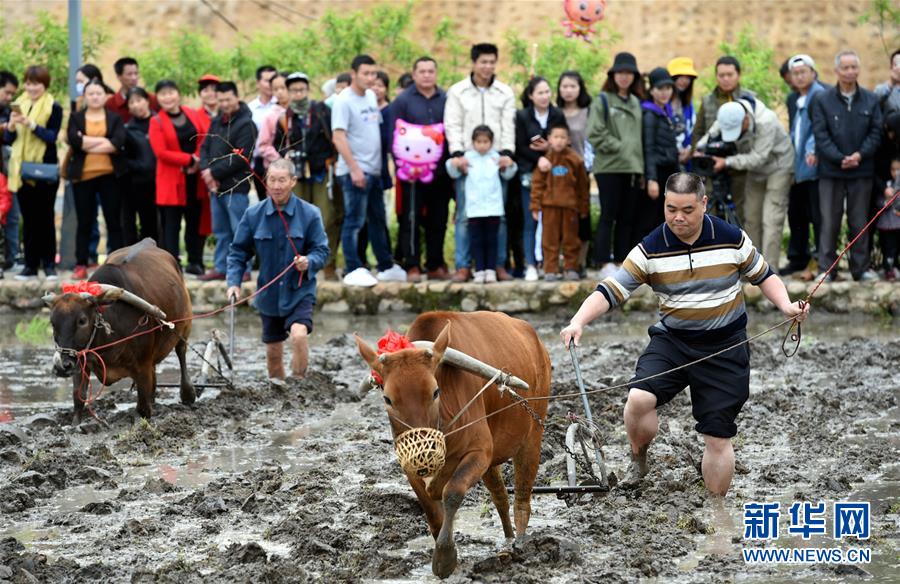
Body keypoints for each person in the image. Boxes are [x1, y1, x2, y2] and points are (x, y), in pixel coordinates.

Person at [560, 172, 809, 496]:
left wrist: (787, 306)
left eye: (687, 210)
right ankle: (639, 457)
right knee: (638, 400)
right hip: (673, 341)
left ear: (704, 204)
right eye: (671, 208)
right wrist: (578, 321)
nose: (678, 217)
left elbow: (763, 275)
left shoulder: (731, 237)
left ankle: (718, 520)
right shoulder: (651, 248)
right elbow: (611, 289)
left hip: (725, 346)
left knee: (717, 438)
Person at [226, 159, 330, 383]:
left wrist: (308, 261)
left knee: (299, 335)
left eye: (282, 180)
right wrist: (233, 283)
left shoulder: (310, 213)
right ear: (265, 181)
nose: (276, 185)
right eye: (272, 180)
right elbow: (238, 252)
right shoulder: (253, 215)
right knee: (273, 353)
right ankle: (279, 392)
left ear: (293, 181)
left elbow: (322, 251)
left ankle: (300, 385)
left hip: (299, 289)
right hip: (269, 293)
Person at [444, 43, 516, 282]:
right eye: (483, 62)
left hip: (496, 162)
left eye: (492, 62)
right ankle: (464, 265)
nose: (487, 66)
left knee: (500, 216)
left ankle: (498, 265)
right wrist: (457, 155)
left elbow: (509, 125)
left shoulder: (504, 92)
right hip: (469, 161)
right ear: (474, 63)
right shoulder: (458, 92)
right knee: (465, 215)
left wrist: (507, 154)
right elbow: (452, 123)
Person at [332, 54, 406, 287]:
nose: (370, 78)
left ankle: (385, 265)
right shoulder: (344, 101)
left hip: (374, 170)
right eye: (365, 73)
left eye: (373, 73)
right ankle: (353, 267)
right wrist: (354, 169)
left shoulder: (372, 96)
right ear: (353, 74)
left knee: (378, 219)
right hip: (355, 171)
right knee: (354, 221)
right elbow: (338, 137)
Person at [811, 50, 883, 282]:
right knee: (829, 219)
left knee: (859, 220)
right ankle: (827, 268)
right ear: (837, 71)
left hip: (861, 170)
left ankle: (860, 269)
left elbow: (876, 132)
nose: (850, 71)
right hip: (831, 171)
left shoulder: (871, 99)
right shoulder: (823, 99)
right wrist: (839, 157)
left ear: (858, 70)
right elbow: (820, 134)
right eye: (846, 67)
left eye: (854, 67)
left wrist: (859, 155)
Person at [697, 98, 794, 270]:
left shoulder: (766, 121)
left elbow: (758, 157)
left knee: (771, 219)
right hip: (753, 170)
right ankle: (753, 268)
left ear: (746, 119)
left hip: (778, 167)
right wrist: (699, 151)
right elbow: (708, 139)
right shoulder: (727, 115)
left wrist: (726, 162)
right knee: (751, 218)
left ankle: (770, 271)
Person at [273, 71, 341, 281]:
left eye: (301, 89)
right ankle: (299, 262)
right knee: (296, 219)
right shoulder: (285, 117)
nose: (298, 94)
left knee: (327, 216)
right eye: (294, 90)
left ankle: (328, 263)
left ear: (308, 90)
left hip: (321, 170)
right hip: (297, 175)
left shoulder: (321, 111)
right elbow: (278, 144)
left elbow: (334, 137)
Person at [388, 56, 452, 281]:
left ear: (436, 73)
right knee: (410, 220)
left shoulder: (446, 99)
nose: (426, 75)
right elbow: (393, 136)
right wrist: (403, 166)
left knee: (439, 219)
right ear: (414, 74)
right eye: (422, 71)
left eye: (430, 71)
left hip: (440, 173)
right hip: (411, 175)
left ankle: (435, 263)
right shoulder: (403, 101)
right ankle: (412, 264)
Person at [587, 52, 644, 277]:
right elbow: (594, 132)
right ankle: (603, 262)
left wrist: (639, 165)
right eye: (620, 72)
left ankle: (622, 260)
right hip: (609, 168)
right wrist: (620, 147)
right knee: (608, 215)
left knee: (627, 218)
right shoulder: (603, 100)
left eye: (628, 73)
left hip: (632, 169)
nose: (624, 77)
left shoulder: (636, 102)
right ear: (613, 75)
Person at [4, 65, 63, 280]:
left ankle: (48, 265)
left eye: (36, 83)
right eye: (28, 83)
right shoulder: (19, 105)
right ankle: (30, 265)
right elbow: (10, 140)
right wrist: (11, 126)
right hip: (21, 170)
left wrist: (30, 124)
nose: (32, 87)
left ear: (44, 85)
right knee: (28, 220)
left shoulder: (53, 107)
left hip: (44, 170)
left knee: (45, 218)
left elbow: (51, 136)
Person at [148, 79, 211, 275]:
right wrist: (188, 159)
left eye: (171, 92)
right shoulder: (156, 121)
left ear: (178, 94)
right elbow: (161, 152)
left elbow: (204, 138)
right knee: (171, 225)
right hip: (171, 180)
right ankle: (172, 266)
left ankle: (196, 261)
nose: (167, 97)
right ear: (157, 98)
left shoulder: (192, 114)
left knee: (194, 222)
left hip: (195, 178)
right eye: (162, 94)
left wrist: (198, 159)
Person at [66, 79, 127, 279]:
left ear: (104, 95)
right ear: (85, 96)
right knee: (85, 221)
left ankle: (116, 263)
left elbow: (118, 143)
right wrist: (104, 142)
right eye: (90, 93)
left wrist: (87, 141)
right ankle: (81, 262)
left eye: (98, 93)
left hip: (110, 176)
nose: (95, 97)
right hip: (83, 177)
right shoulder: (76, 117)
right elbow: (74, 142)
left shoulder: (114, 118)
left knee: (113, 220)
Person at [199, 81, 257, 281]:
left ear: (236, 97)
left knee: (239, 230)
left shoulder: (247, 123)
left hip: (236, 187)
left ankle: (244, 268)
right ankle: (221, 267)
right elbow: (205, 147)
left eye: (228, 99)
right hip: (216, 188)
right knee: (221, 231)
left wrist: (213, 173)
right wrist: (206, 170)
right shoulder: (217, 121)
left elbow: (242, 157)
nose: (224, 103)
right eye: (221, 99)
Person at [446, 125, 517, 283]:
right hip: (474, 208)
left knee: (492, 239)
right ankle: (479, 270)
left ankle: (491, 270)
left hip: (493, 208)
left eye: (486, 142)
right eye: (479, 141)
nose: (482, 145)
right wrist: (455, 162)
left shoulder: (496, 158)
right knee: (476, 240)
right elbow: (452, 171)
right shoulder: (468, 158)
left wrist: (510, 163)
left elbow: (510, 173)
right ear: (473, 142)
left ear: (491, 143)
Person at [515, 76, 566, 281]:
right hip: (530, 173)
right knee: (532, 219)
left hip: (555, 175)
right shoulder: (522, 116)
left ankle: (550, 263)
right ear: (531, 95)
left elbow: (563, 141)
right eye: (540, 93)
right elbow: (520, 146)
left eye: (547, 92)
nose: (544, 96)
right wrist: (539, 158)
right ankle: (530, 264)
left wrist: (549, 150)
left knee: (554, 220)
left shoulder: (557, 114)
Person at [692, 56, 756, 219]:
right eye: (721, 75)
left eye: (730, 74)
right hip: (712, 166)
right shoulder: (708, 101)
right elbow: (698, 131)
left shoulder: (749, 99)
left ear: (738, 75)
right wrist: (698, 153)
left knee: (740, 212)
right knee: (710, 211)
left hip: (739, 167)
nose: (726, 79)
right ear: (716, 76)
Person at [783, 54, 826, 278]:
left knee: (817, 215)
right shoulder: (792, 99)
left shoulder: (820, 94)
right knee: (796, 213)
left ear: (812, 72)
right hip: (797, 164)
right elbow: (794, 130)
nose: (799, 77)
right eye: (795, 73)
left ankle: (821, 259)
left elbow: (819, 127)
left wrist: (812, 149)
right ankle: (798, 258)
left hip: (815, 164)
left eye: (803, 72)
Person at [529, 121, 588, 281]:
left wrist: (583, 208)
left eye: (563, 137)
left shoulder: (575, 160)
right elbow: (537, 184)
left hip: (570, 207)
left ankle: (570, 268)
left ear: (568, 140)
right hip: (549, 207)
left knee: (571, 240)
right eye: (556, 137)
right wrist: (535, 206)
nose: (559, 140)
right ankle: (550, 269)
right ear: (549, 139)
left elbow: (583, 187)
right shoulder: (545, 160)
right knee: (549, 240)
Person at [556, 71, 593, 273]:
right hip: (558, 173)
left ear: (580, 89)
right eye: (564, 86)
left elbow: (591, 143)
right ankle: (562, 261)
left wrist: (588, 168)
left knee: (582, 215)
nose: (568, 91)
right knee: (560, 217)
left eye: (573, 86)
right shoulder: (555, 113)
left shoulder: (588, 112)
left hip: (581, 172)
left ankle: (581, 261)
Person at [640, 67, 680, 241]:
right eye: (660, 89)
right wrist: (652, 179)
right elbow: (648, 148)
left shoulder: (666, 112)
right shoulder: (650, 114)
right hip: (657, 172)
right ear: (652, 90)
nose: (665, 93)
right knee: (651, 218)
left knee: (664, 218)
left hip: (668, 170)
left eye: (668, 88)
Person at [122, 87, 158, 246]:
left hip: (159, 180)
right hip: (135, 183)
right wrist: (140, 166)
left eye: (139, 100)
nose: (136, 105)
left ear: (147, 101)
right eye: (132, 102)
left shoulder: (160, 122)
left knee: (155, 222)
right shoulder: (127, 129)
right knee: (134, 221)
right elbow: (123, 158)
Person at [248, 65, 278, 198]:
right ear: (258, 83)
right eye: (267, 80)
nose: (270, 84)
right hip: (259, 162)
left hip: (279, 159)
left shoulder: (280, 105)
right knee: (264, 202)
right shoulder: (251, 108)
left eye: (273, 80)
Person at [0, 70, 19, 270]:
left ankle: (11, 258)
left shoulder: (8, 112)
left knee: (12, 216)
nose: (9, 97)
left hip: (7, 173)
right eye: (7, 92)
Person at [666, 57, 698, 166]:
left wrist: (689, 150)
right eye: (681, 77)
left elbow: (693, 130)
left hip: (686, 162)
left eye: (688, 78)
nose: (685, 81)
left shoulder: (688, 105)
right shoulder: (660, 104)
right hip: (665, 160)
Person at [106, 57, 158, 123]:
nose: (134, 78)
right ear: (119, 77)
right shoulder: (111, 104)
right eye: (129, 74)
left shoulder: (151, 99)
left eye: (136, 73)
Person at [255, 72, 290, 170]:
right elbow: (263, 145)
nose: (279, 92)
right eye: (275, 89)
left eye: (283, 88)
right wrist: (280, 160)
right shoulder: (270, 115)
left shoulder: (298, 112)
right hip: (277, 168)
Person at [877, 156, 900, 280]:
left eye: (899, 169)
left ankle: (896, 267)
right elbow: (878, 202)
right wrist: (887, 201)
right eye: (893, 169)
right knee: (888, 249)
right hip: (887, 225)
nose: (896, 173)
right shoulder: (886, 185)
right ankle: (888, 269)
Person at [874, 49, 900, 117]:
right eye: (896, 64)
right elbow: (875, 100)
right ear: (891, 68)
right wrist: (892, 82)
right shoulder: (883, 89)